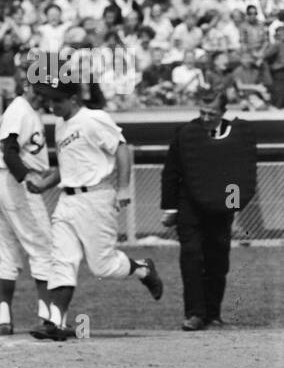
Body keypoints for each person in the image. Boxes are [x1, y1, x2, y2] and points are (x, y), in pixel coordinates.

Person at [26, 78, 163, 341]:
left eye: (58, 100)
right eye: (50, 100)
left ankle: (143, 268)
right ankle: (54, 322)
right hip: (67, 200)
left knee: (103, 267)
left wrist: (123, 188)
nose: (52, 105)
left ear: (74, 99)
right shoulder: (60, 124)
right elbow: (67, 165)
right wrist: (43, 185)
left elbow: (121, 149)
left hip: (96, 197)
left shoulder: (93, 118)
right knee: (61, 260)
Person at [159, 90, 258, 330]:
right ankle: (194, 314)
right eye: (202, 112)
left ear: (223, 112)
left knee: (218, 260)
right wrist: (170, 208)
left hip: (221, 208)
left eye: (211, 113)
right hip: (189, 206)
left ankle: (213, 313)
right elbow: (171, 172)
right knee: (191, 257)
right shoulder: (185, 134)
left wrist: (234, 212)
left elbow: (239, 175)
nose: (205, 118)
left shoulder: (236, 137)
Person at [0, 75, 53, 335]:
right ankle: (48, 317)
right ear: (28, 87)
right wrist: (26, 178)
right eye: (39, 92)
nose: (42, 97)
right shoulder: (19, 109)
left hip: (6, 184)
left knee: (9, 252)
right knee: (45, 247)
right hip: (16, 183)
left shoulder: (28, 110)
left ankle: (5, 317)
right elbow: (9, 149)